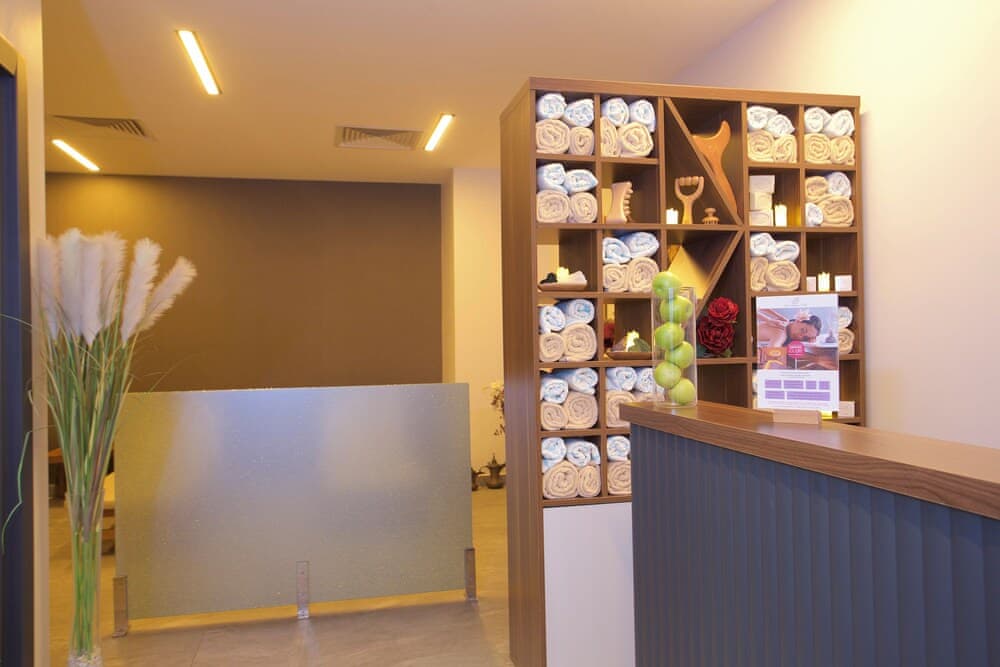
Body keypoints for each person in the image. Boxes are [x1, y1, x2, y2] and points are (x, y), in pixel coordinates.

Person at [757, 309, 822, 348]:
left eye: (805, 337)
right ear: (798, 320)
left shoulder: (787, 323)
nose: (800, 336)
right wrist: (769, 320)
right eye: (803, 330)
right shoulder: (781, 333)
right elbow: (772, 353)